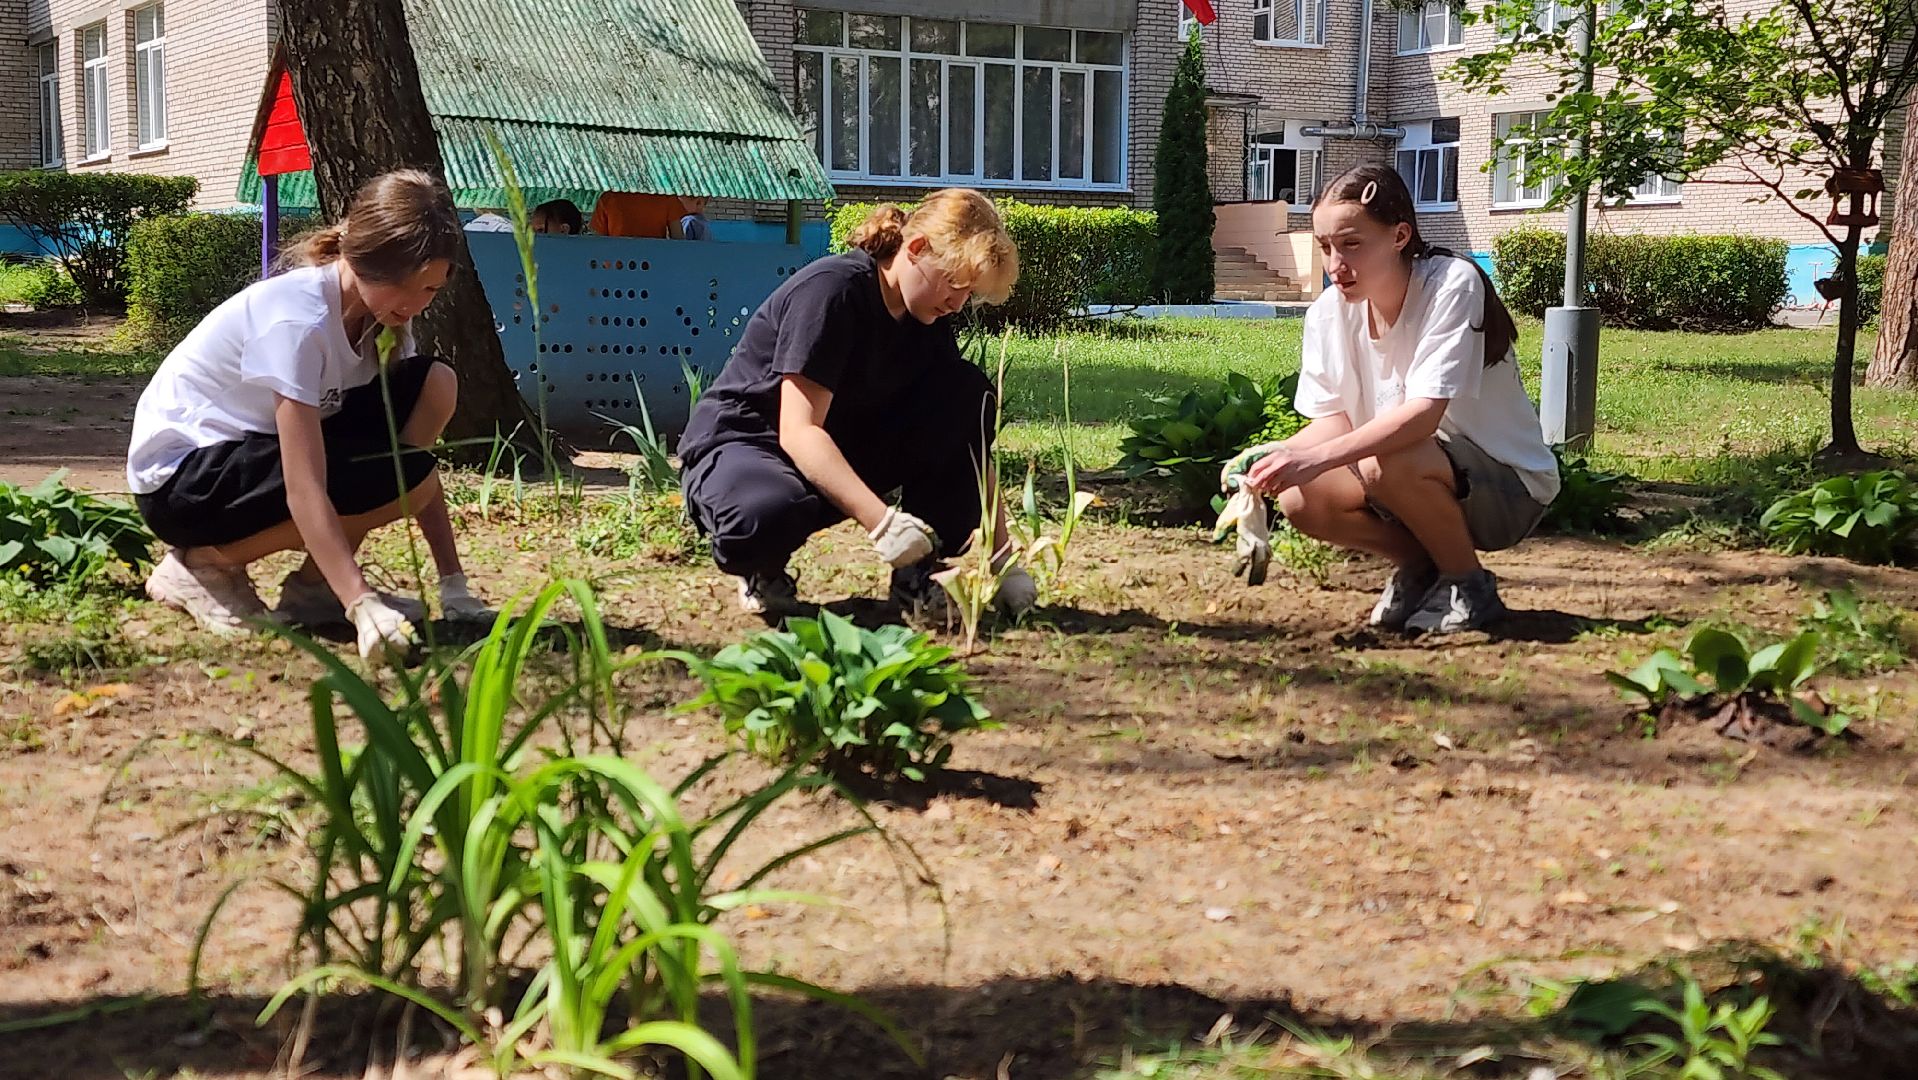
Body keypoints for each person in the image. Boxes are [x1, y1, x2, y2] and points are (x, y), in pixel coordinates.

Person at [126, 169, 494, 659]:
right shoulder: (297, 324)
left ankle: (315, 589)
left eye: (430, 290)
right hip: (186, 481)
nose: (416, 304)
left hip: (257, 453)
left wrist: (454, 584)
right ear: (365, 263)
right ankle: (202, 566)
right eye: (408, 287)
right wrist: (362, 605)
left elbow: (410, 471)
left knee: (433, 385)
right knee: (392, 477)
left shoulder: (383, 319)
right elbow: (305, 485)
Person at [677, 188, 1033, 620]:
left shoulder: (926, 318)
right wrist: (883, 524)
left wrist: (1003, 559)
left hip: (833, 443)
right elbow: (798, 430)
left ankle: (918, 574)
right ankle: (761, 568)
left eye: (969, 292)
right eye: (955, 283)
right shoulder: (832, 293)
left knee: (967, 394)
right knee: (761, 518)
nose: (958, 303)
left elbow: (969, 444)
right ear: (916, 249)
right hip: (749, 444)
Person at [1234, 163, 1559, 634]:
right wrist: (1274, 457)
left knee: (1383, 459)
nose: (1334, 265)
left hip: (1508, 489)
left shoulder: (1452, 284)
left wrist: (1316, 457)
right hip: (1414, 475)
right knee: (1302, 497)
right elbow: (1335, 422)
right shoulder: (1329, 314)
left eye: (1352, 244)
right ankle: (1423, 568)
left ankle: (1470, 586)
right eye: (1326, 247)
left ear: (1400, 235)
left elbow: (1421, 419)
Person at [588, 192, 684, 239]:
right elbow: (678, 239)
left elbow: (597, 242)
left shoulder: (608, 198)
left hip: (615, 269)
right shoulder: (667, 198)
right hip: (655, 266)